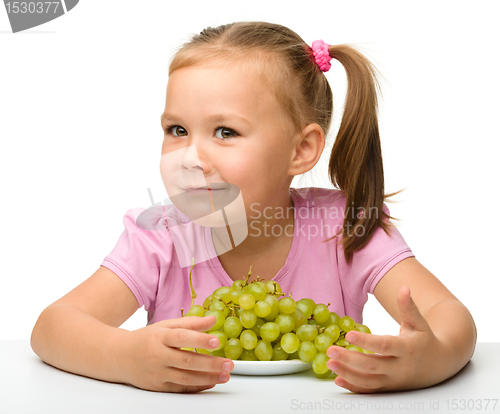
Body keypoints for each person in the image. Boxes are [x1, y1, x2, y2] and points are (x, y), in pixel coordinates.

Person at [30, 21, 476, 394]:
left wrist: (432, 358)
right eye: (177, 129)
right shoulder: (159, 235)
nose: (190, 157)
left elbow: (451, 317)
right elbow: (52, 328)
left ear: (301, 150)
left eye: (225, 132)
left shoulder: (341, 227)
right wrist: (124, 357)